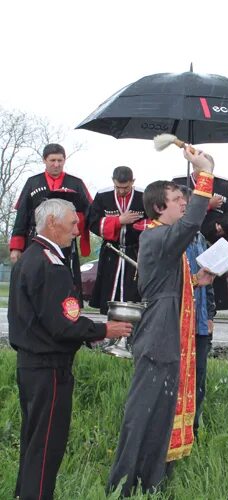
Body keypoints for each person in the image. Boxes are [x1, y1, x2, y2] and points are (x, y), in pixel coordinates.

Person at [108, 147, 216, 496]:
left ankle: (152, 480)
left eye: (185, 197)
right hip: (157, 339)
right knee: (142, 415)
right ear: (159, 207)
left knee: (161, 415)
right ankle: (123, 484)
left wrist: (198, 280)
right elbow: (192, 223)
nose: (184, 203)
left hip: (169, 339)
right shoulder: (155, 235)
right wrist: (206, 172)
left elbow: (169, 285)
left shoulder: (164, 240)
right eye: (176, 199)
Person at [9, 199, 131, 500]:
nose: (78, 230)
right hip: (49, 367)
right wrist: (104, 330)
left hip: (30, 365)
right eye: (74, 224)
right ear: (52, 223)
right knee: (47, 445)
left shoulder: (29, 258)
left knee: (33, 442)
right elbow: (63, 323)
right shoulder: (51, 265)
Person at [10, 143, 92, 300]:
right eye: (52, 160)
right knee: (35, 277)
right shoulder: (32, 182)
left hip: (65, 244)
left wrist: (75, 227)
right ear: (44, 160)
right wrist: (16, 247)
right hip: (35, 240)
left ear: (64, 160)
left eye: (60, 160)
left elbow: (89, 212)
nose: (56, 164)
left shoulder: (76, 183)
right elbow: (22, 216)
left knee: (65, 280)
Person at [178, 185, 216, 437]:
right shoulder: (168, 237)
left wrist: (210, 314)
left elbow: (207, 278)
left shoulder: (200, 237)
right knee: (178, 378)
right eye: (182, 205)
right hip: (178, 321)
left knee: (198, 378)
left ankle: (194, 428)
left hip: (200, 320)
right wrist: (192, 279)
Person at [173, 169, 228, 310]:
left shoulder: (222, 184)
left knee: (209, 289)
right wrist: (208, 205)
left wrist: (225, 225)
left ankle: (208, 317)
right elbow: (187, 213)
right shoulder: (179, 183)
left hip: (211, 244)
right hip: (186, 243)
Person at [87, 166, 146, 314]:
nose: (121, 191)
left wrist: (137, 226)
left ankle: (132, 332)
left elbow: (154, 220)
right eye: (118, 187)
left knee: (133, 295)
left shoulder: (143, 195)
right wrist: (119, 220)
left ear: (133, 181)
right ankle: (112, 330)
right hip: (111, 253)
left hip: (135, 252)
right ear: (113, 181)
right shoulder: (102, 196)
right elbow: (93, 223)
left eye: (125, 187)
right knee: (109, 293)